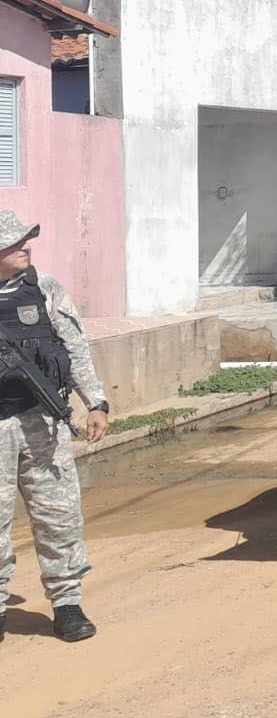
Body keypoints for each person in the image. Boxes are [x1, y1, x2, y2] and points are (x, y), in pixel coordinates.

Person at [0, 211, 109, 644]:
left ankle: (67, 605)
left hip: (43, 422)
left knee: (58, 516)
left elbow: (74, 347)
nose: (26, 247)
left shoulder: (44, 289)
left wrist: (95, 402)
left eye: (25, 240)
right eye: (15, 242)